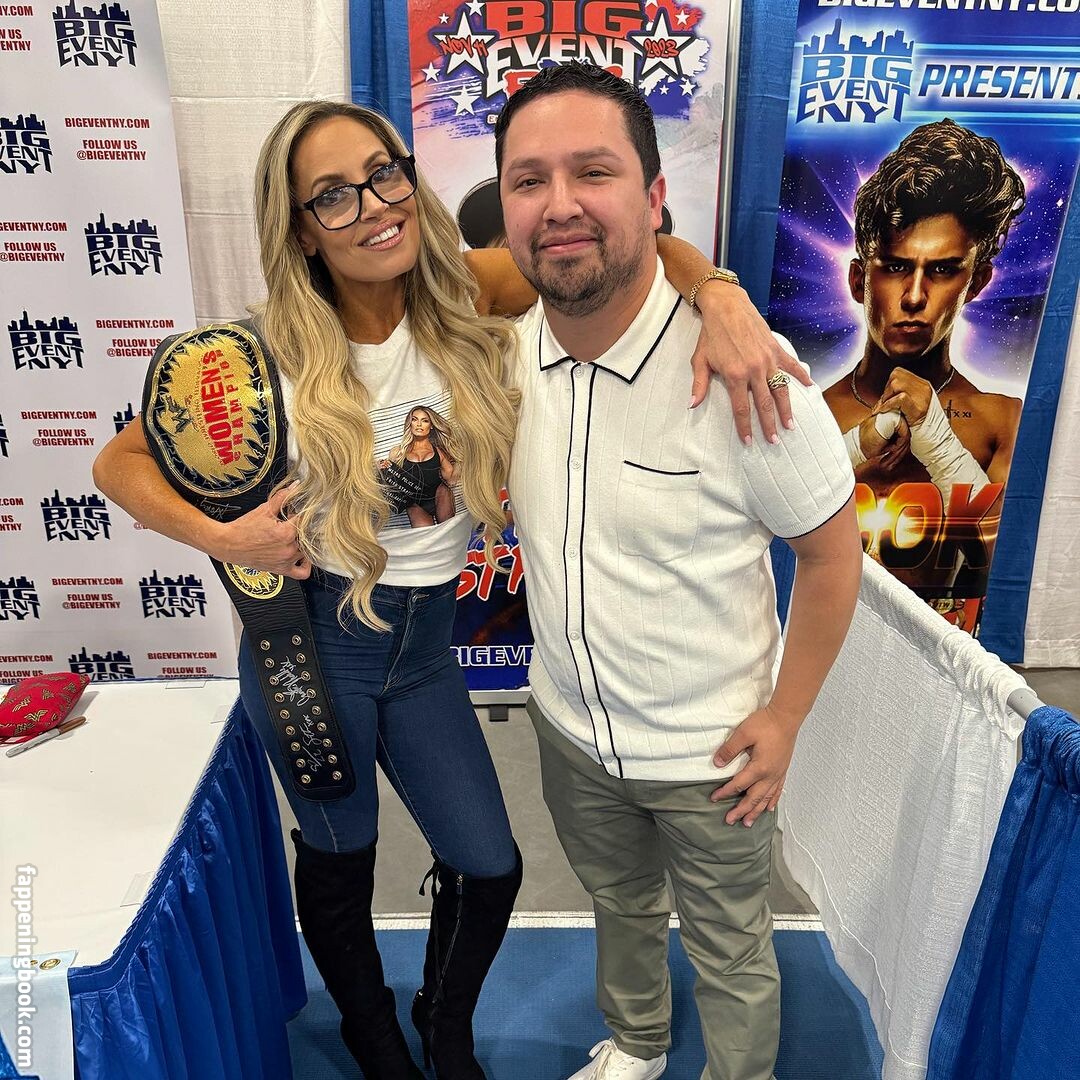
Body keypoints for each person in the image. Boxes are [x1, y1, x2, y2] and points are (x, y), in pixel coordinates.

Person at [92, 98, 807, 1080]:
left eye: (383, 173)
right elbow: (120, 462)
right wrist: (223, 534)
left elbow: (646, 249)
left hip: (427, 650)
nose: (371, 207)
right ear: (300, 228)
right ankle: (371, 1032)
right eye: (332, 196)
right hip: (317, 646)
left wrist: (721, 297)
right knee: (341, 856)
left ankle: (445, 1021)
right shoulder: (260, 353)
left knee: (489, 864)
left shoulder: (467, 292)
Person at [494, 62, 863, 1080]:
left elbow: (832, 554)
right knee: (618, 905)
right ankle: (638, 1044)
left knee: (731, 946)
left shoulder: (744, 371)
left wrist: (786, 718)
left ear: (655, 198)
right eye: (529, 180)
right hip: (570, 729)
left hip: (712, 755)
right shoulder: (505, 358)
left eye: (593, 172)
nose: (559, 205)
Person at [821, 119, 1025, 597]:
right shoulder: (811, 413)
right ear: (858, 281)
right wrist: (856, 446)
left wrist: (936, 438)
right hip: (820, 641)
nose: (914, 296)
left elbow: (1003, 578)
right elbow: (760, 543)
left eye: (943, 270)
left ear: (976, 282)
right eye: (895, 267)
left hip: (945, 645)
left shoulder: (1003, 422)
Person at [379, 405, 459, 526]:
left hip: (440, 495)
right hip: (414, 504)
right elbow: (391, 482)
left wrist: (460, 461)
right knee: (425, 536)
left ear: (431, 426)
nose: (419, 424)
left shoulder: (438, 451)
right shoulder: (398, 452)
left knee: (448, 530)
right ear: (410, 423)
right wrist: (381, 468)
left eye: (425, 420)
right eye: (414, 419)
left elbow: (451, 480)